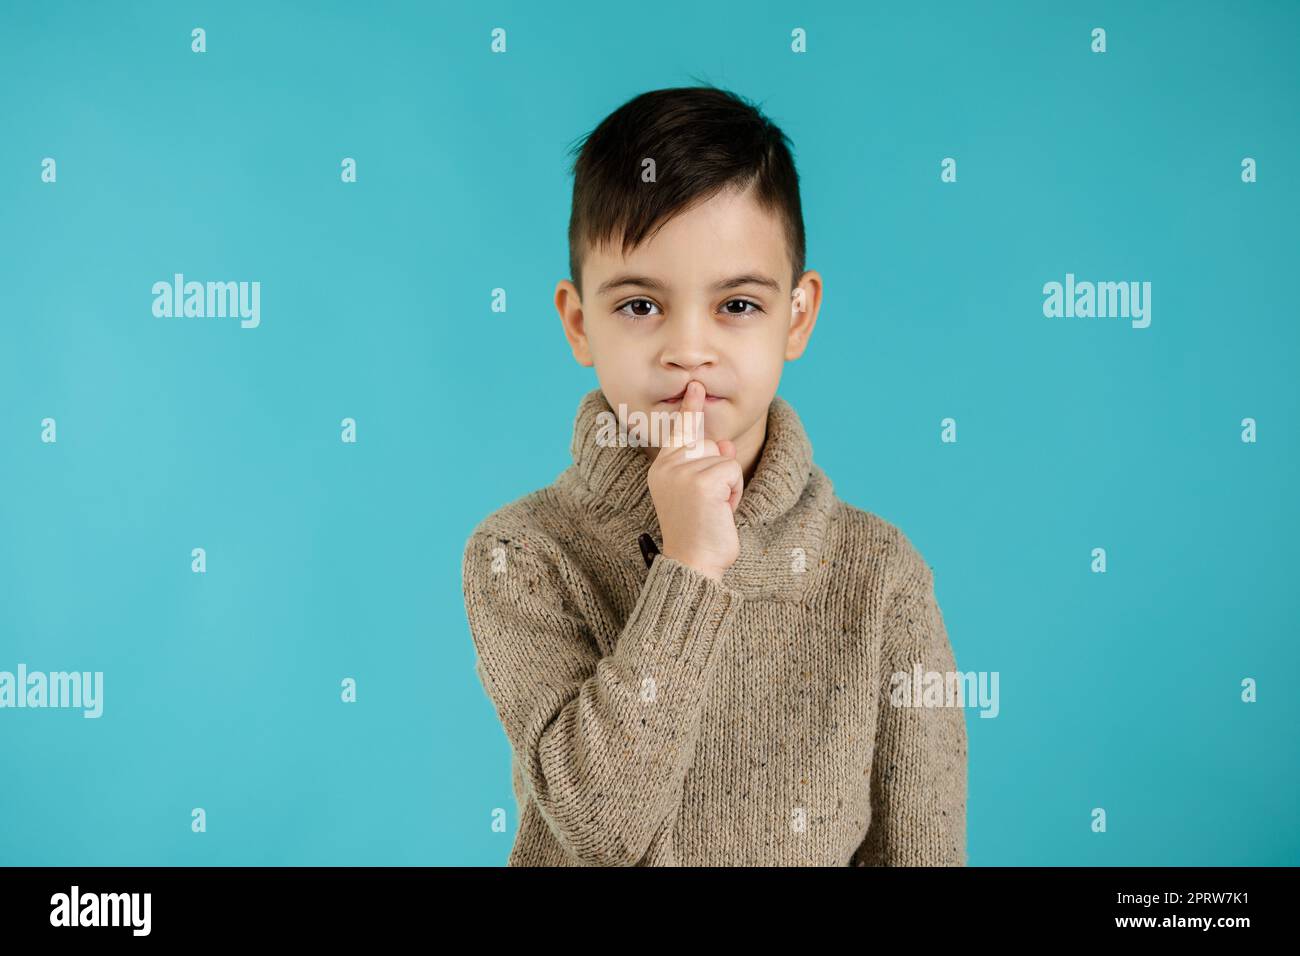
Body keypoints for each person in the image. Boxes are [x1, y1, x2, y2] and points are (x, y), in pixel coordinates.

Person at [461, 85, 967, 866]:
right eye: (639, 306)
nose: (688, 349)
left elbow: (923, 848)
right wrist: (690, 566)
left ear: (796, 316)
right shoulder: (520, 554)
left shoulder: (880, 577)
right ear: (577, 323)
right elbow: (602, 826)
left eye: (736, 304)